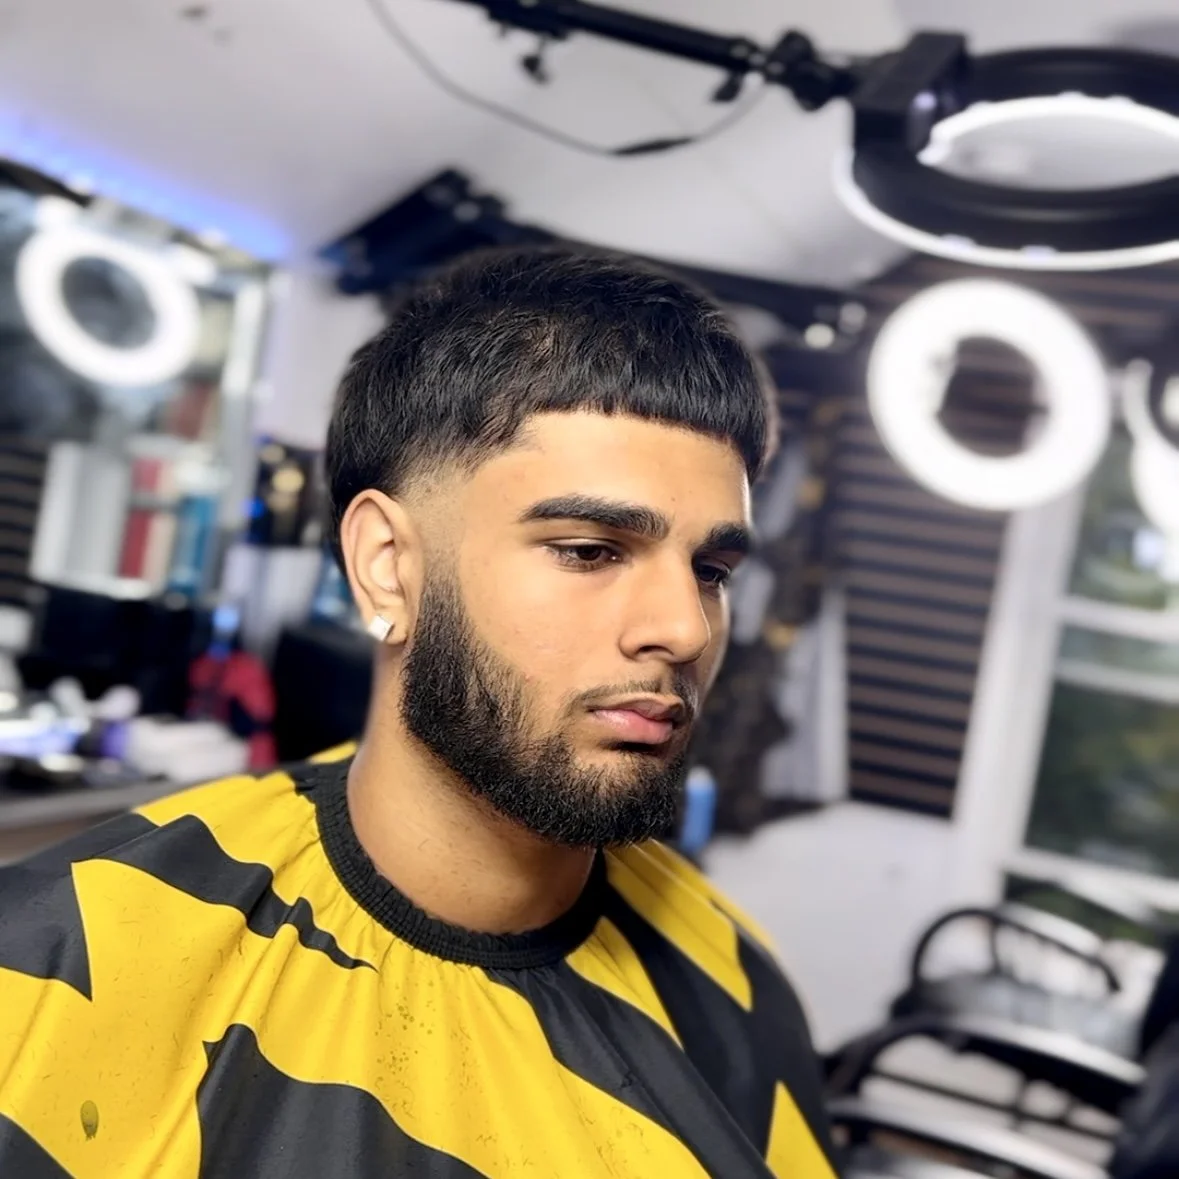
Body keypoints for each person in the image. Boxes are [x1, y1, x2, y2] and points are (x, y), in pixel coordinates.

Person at [0, 247, 839, 1178]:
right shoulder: (57, 962)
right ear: (386, 565)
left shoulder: (734, 990)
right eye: (590, 549)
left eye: (711, 571)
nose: (683, 627)